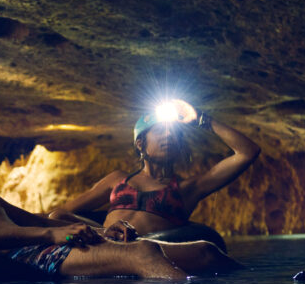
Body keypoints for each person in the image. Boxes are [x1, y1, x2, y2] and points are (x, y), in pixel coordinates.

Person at [0, 108, 239, 279]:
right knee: (141, 254)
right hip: (21, 258)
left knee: (205, 252)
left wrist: (102, 232)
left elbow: (32, 218)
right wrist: (52, 233)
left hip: (40, 245)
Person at [51, 99, 259, 244]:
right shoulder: (118, 180)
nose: (169, 135)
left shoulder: (188, 189)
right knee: (56, 214)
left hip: (147, 251)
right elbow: (64, 212)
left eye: (175, 133)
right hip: (103, 242)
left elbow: (247, 152)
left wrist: (201, 119)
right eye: (160, 131)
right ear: (140, 144)